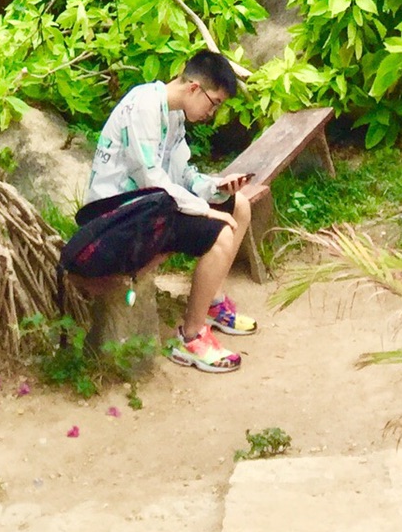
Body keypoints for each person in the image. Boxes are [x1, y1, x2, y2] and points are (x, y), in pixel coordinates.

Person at [73, 50, 268, 373]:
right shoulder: (143, 107)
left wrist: (218, 188)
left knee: (240, 206)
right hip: (120, 217)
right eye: (214, 103)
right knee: (221, 232)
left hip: (152, 207)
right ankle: (190, 337)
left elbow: (183, 174)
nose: (212, 113)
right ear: (194, 87)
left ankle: (212, 303)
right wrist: (205, 212)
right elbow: (153, 179)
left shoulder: (174, 113)